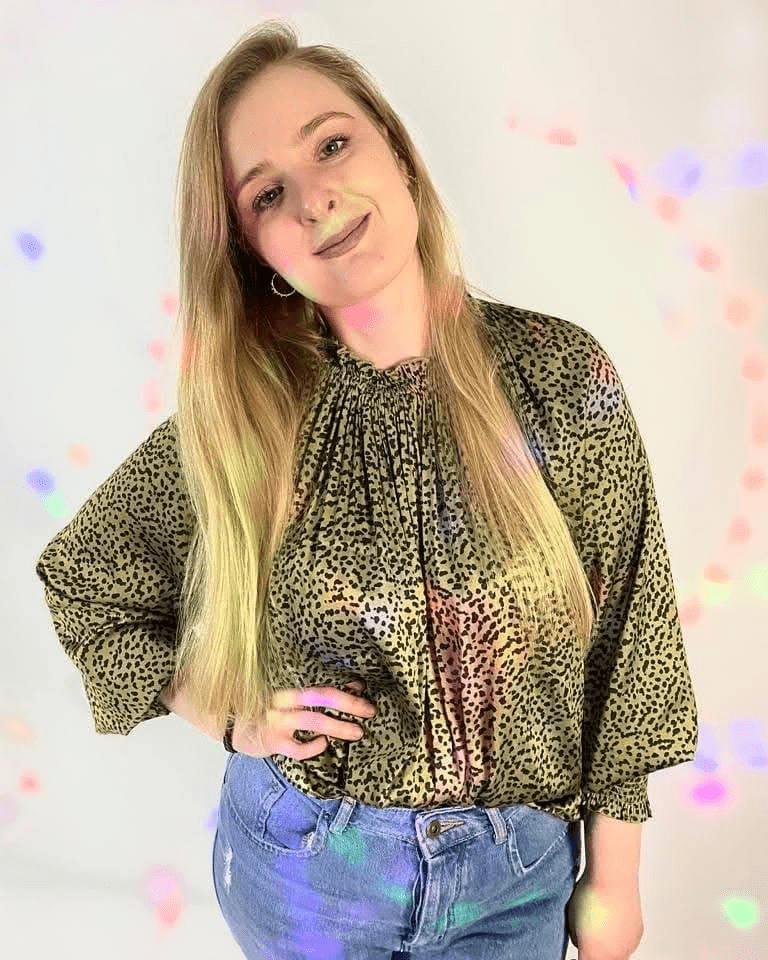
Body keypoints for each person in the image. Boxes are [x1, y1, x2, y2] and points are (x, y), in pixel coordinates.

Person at [34, 20, 698, 960]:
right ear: (253, 249)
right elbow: (87, 579)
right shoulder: (248, 416)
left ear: (396, 151)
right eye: (268, 194)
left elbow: (631, 644)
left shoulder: (559, 375)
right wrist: (223, 713)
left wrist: (615, 880)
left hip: (515, 878)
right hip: (304, 869)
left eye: (333, 144)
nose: (316, 199)